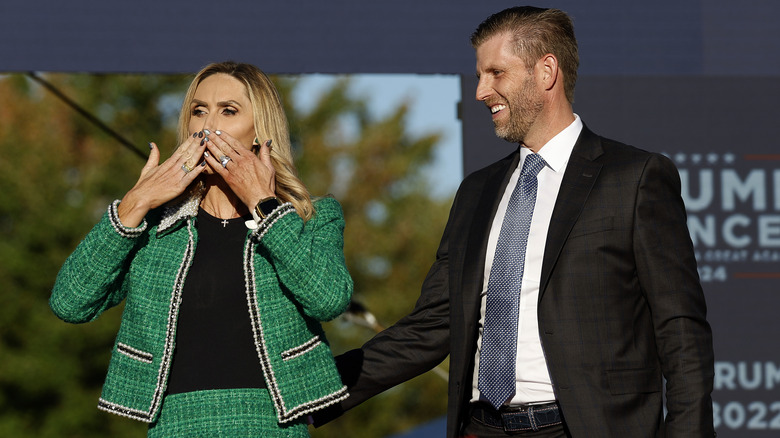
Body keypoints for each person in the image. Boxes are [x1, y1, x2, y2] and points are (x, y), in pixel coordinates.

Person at [316, 6, 714, 438]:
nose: (481, 91)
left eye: (496, 73)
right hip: (481, 428)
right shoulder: (477, 191)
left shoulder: (634, 178)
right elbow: (429, 328)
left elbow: (681, 330)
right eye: (478, 76)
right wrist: (308, 393)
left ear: (546, 72)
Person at [50, 61, 353, 437]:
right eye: (198, 111)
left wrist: (265, 204)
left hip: (271, 424)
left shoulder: (311, 217)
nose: (208, 124)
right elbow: (70, 302)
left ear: (260, 132)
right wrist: (135, 203)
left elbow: (328, 298)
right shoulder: (158, 225)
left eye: (229, 110)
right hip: (175, 424)